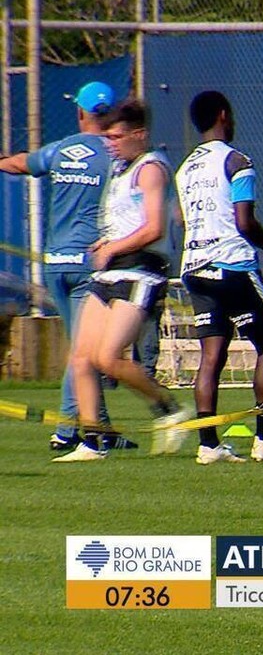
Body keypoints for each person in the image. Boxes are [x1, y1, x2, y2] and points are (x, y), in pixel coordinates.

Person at [52, 98, 193, 463]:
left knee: (109, 357)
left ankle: (170, 408)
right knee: (81, 357)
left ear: (139, 135)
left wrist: (114, 246)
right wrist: (106, 242)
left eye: (116, 137)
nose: (110, 144)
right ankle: (92, 441)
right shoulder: (119, 170)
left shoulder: (151, 169)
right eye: (108, 137)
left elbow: (153, 228)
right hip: (110, 270)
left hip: (140, 271)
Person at [172, 90, 263, 465]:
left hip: (194, 268)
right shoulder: (237, 161)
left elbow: (182, 218)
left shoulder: (185, 169)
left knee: (211, 355)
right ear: (223, 115)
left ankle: (208, 445)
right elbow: (243, 222)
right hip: (232, 265)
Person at [0, 82, 128, 452]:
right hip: (91, 262)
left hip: (55, 261)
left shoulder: (60, 149)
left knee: (84, 348)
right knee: (85, 351)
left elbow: (20, 164)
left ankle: (101, 428)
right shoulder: (115, 154)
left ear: (80, 112)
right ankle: (68, 430)